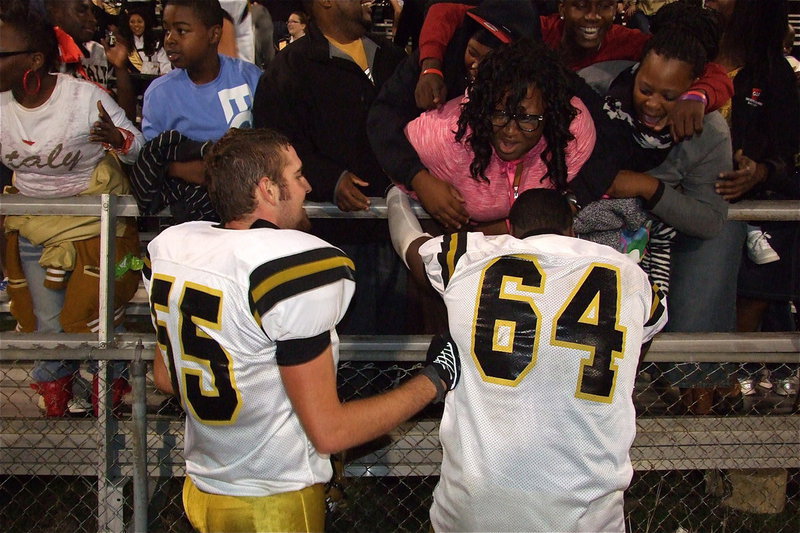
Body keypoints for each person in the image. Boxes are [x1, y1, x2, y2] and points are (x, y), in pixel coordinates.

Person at [145, 127, 459, 533]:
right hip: (271, 503)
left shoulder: (177, 247)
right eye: (296, 175)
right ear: (268, 190)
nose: (308, 185)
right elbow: (331, 432)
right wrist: (434, 380)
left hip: (200, 489)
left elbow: (167, 378)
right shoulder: (294, 263)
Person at [387, 186, 667, 532]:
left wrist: (394, 195)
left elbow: (408, 243)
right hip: (586, 509)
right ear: (571, 229)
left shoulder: (470, 255)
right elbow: (645, 335)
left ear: (510, 229)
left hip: (479, 505)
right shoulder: (629, 274)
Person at [0, 4, 143, 416]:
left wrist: (118, 139)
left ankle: (106, 401)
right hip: (32, 225)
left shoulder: (83, 100)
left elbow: (140, 148)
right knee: (49, 325)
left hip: (96, 226)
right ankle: (60, 406)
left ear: (34, 60)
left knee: (92, 320)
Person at [253, 0, 408, 335]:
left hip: (398, 233)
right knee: (349, 351)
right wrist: (328, 179)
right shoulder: (288, 69)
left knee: (398, 344)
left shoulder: (394, 59)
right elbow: (273, 146)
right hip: (331, 237)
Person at [415, 0, 733, 142]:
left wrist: (698, 94)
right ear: (563, 7)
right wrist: (431, 67)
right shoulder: (534, 29)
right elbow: (445, 11)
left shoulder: (632, 43)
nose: (592, 17)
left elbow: (711, 71)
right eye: (582, 6)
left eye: (604, 7)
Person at [401, 39, 595, 233]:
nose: (510, 131)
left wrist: (498, 230)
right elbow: (390, 147)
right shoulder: (448, 137)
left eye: (526, 118)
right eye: (499, 114)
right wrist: (419, 179)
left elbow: (597, 179)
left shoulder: (572, 134)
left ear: (549, 114)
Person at [136, 0, 262, 222]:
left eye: (182, 30)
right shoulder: (159, 94)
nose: (170, 40)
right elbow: (155, 160)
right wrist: (184, 170)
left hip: (253, 208)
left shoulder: (251, 79)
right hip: (191, 220)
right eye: (167, 30)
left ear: (214, 34)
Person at [45, 0, 137, 120]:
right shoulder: (44, 55)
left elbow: (126, 120)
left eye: (92, 12)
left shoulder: (98, 51)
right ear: (55, 12)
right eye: (82, 11)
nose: (93, 19)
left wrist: (121, 69)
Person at [121, 6, 171, 76]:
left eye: (139, 21)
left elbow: (165, 66)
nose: (136, 25)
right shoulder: (124, 44)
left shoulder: (156, 42)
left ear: (145, 23)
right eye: (132, 22)